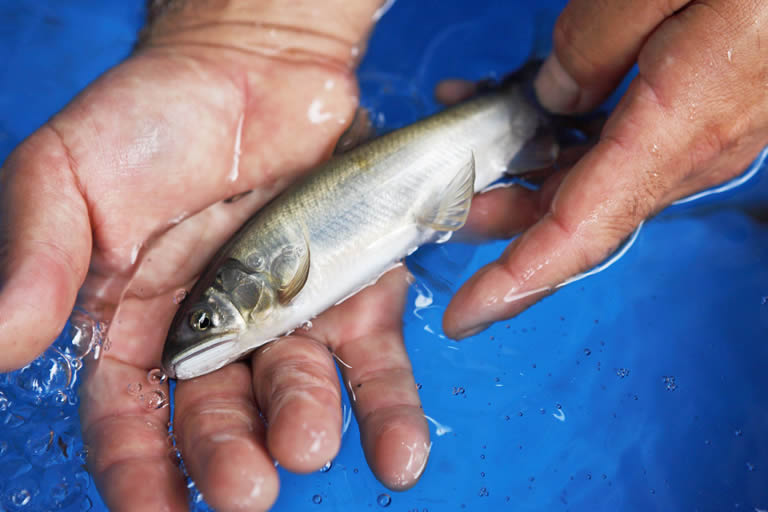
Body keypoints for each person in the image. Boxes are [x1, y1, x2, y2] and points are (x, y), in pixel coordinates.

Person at [0, 0, 765, 510]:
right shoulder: (247, 302)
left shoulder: (266, 290)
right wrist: (235, 19)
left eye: (206, 319)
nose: (198, 334)